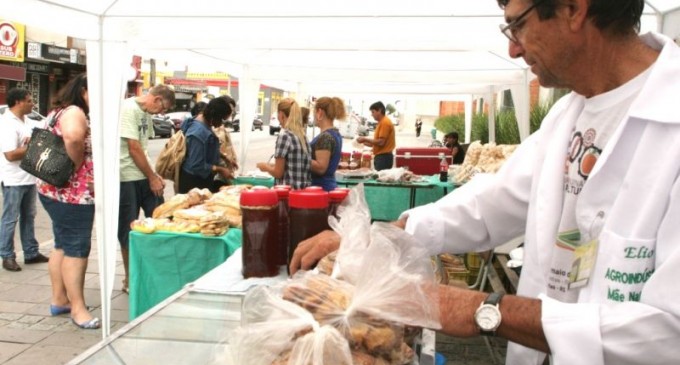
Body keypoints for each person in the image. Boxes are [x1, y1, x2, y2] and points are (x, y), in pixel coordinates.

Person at [290, 0, 680, 363]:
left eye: (517, 25)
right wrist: (373, 239)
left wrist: (481, 308)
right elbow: (488, 203)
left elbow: (667, 331)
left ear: (573, 9)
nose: (513, 50)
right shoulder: (568, 114)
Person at [37, 74, 99, 329]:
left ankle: (59, 299)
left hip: (53, 190)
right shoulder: (75, 112)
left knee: (62, 244)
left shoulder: (58, 110)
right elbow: (73, 138)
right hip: (73, 194)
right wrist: (72, 167)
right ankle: (78, 308)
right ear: (84, 90)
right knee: (76, 248)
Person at [118, 84, 175, 293]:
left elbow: (143, 148)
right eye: (163, 108)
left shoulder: (145, 113)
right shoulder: (128, 109)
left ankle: (156, 271)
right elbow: (133, 148)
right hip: (126, 176)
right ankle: (129, 279)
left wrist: (154, 174)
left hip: (143, 174)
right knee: (127, 229)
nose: (162, 113)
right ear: (157, 99)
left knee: (161, 219)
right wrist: (151, 176)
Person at [0, 88, 50, 272]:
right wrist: (34, 145)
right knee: (10, 218)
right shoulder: (7, 123)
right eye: (29, 101)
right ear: (19, 102)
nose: (33, 104)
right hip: (13, 179)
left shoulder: (28, 121)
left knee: (29, 216)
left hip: (29, 177)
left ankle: (30, 252)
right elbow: (11, 155)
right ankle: (7, 255)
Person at [178, 96, 235, 193]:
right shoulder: (198, 133)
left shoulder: (203, 121)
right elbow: (196, 165)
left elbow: (207, 148)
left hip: (203, 180)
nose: (222, 124)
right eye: (222, 120)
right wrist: (220, 169)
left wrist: (225, 157)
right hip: (193, 183)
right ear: (214, 115)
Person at [256, 98, 311, 189]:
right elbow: (292, 165)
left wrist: (265, 167)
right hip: (303, 194)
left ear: (281, 115)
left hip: (287, 194)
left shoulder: (284, 136)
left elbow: (278, 173)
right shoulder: (303, 136)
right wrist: (271, 165)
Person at [310, 97, 345, 191]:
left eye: (314, 113)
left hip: (321, 189)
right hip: (328, 186)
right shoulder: (335, 134)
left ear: (320, 112)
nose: (313, 117)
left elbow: (321, 168)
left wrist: (301, 158)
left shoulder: (325, 137)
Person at [356, 101, 395, 171]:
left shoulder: (385, 122)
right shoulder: (381, 123)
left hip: (384, 158)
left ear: (379, 110)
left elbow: (381, 142)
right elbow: (376, 143)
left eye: (373, 112)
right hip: (381, 157)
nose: (372, 114)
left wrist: (365, 138)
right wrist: (362, 141)